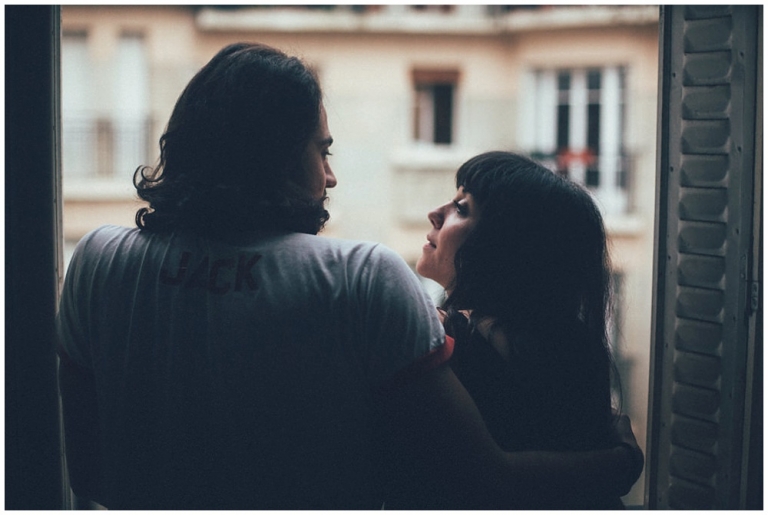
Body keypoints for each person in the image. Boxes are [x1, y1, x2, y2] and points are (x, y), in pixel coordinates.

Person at [56, 43, 643, 510]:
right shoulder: (360, 278)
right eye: (323, 151)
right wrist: (618, 458)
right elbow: (482, 477)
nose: (330, 177)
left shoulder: (96, 259)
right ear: (276, 157)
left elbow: (86, 469)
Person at [394, 150, 636, 509]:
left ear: (504, 247)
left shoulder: (438, 338)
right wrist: (620, 461)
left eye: (462, 208)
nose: (436, 212)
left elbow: (486, 475)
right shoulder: (575, 350)